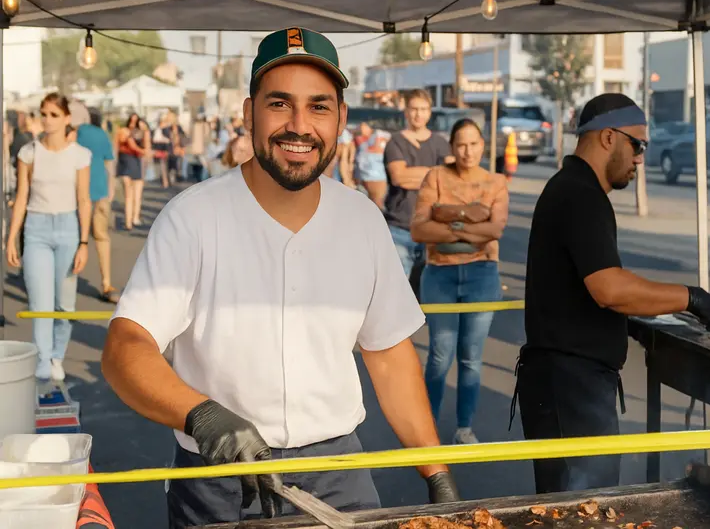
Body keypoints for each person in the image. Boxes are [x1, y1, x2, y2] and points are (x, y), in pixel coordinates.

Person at [101, 27, 459, 528]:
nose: (299, 125)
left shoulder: (361, 219)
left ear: (340, 120)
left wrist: (436, 472)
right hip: (220, 479)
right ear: (249, 114)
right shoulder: (193, 218)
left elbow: (390, 354)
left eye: (318, 106)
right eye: (279, 104)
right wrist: (201, 416)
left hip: (338, 474)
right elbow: (126, 346)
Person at [513, 93, 710, 495]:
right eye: (638, 145)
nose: (640, 158)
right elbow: (609, 288)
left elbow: (580, 287)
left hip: (565, 383)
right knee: (582, 511)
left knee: (574, 507)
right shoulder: (580, 195)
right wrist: (693, 298)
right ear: (607, 137)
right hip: (570, 386)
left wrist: (628, 319)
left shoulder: (574, 188)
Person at [410, 119, 508, 445]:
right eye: (461, 145)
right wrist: (470, 217)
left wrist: (447, 214)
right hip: (440, 274)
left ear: (483, 145)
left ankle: (464, 426)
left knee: (471, 356)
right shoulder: (436, 176)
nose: (468, 151)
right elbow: (420, 229)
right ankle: (428, 429)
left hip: (482, 273)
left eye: (474, 144)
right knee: (440, 353)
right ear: (451, 147)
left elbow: (494, 231)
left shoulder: (495, 182)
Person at [7, 93, 92, 382]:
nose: (47, 119)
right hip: (37, 230)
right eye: (44, 113)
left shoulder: (79, 155)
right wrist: (11, 237)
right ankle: (43, 359)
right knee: (39, 304)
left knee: (64, 304)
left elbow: (84, 200)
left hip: (69, 229)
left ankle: (57, 354)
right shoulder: (29, 153)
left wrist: (83, 242)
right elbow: (21, 198)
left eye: (54, 114)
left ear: (67, 119)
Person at [384, 89, 453, 281]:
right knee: (396, 290)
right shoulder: (395, 142)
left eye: (423, 109)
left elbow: (451, 179)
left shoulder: (440, 143)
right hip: (400, 228)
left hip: (433, 229)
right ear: (406, 111)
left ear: (429, 112)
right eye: (414, 109)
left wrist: (415, 174)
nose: (418, 114)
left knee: (431, 292)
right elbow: (399, 177)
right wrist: (435, 173)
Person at [69, 102, 119, 304]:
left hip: (77, 193)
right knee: (102, 237)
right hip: (100, 190)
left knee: (73, 239)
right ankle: (106, 283)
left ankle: (67, 285)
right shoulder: (101, 134)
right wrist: (111, 189)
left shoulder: (74, 133)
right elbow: (109, 163)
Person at [115, 114, 147, 230]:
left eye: (135, 121)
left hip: (136, 162)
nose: (133, 124)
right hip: (126, 163)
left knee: (137, 195)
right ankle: (129, 221)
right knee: (129, 195)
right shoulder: (124, 132)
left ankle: (135, 217)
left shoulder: (141, 133)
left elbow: (146, 146)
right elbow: (122, 144)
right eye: (131, 121)